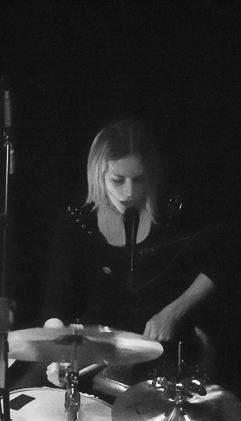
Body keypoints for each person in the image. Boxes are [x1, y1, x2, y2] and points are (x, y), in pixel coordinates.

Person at [40, 119, 222, 393]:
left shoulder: (171, 211)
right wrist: (60, 353)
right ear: (98, 174)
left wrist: (173, 312)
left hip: (163, 350)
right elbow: (57, 304)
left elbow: (217, 264)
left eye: (139, 180)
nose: (129, 192)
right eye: (117, 180)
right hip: (98, 349)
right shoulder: (77, 223)